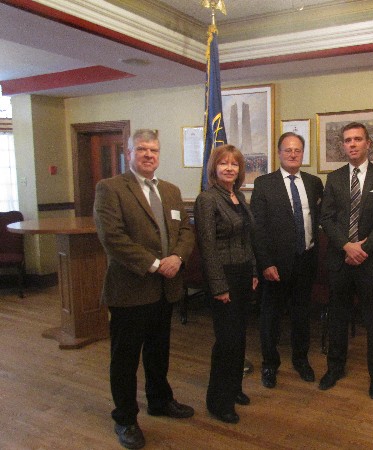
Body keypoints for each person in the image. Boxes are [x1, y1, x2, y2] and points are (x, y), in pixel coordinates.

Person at [94, 129, 195, 450]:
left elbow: (185, 231)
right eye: (142, 149)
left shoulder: (171, 190)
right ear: (129, 152)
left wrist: (178, 257)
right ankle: (125, 419)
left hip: (166, 289)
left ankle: (159, 400)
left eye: (153, 149)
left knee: (158, 352)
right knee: (124, 360)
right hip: (131, 290)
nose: (148, 154)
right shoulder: (110, 189)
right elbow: (113, 238)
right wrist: (155, 264)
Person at [319, 122, 373, 400]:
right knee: (338, 316)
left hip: (371, 261)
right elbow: (326, 218)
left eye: (357, 139)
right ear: (343, 145)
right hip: (340, 260)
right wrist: (346, 246)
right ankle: (335, 368)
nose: (352, 144)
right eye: (347, 140)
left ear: (368, 144)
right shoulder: (334, 178)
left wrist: (362, 249)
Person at [251, 132, 324, 388]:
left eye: (297, 150)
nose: (293, 154)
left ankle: (301, 360)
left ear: (302, 154)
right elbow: (258, 229)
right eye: (287, 150)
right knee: (270, 316)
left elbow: (319, 219)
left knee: (302, 314)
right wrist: (266, 263)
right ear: (279, 153)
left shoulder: (315, 183)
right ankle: (270, 365)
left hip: (306, 260)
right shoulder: (264, 184)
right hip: (276, 266)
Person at [194, 144, 258, 424]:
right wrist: (219, 286)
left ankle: (234, 389)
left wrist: (254, 270)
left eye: (234, 164)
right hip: (224, 276)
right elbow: (207, 246)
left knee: (240, 336)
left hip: (244, 273)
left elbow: (247, 239)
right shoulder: (207, 199)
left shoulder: (239, 197)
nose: (229, 168)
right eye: (224, 164)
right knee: (226, 340)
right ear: (214, 168)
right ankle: (218, 401)